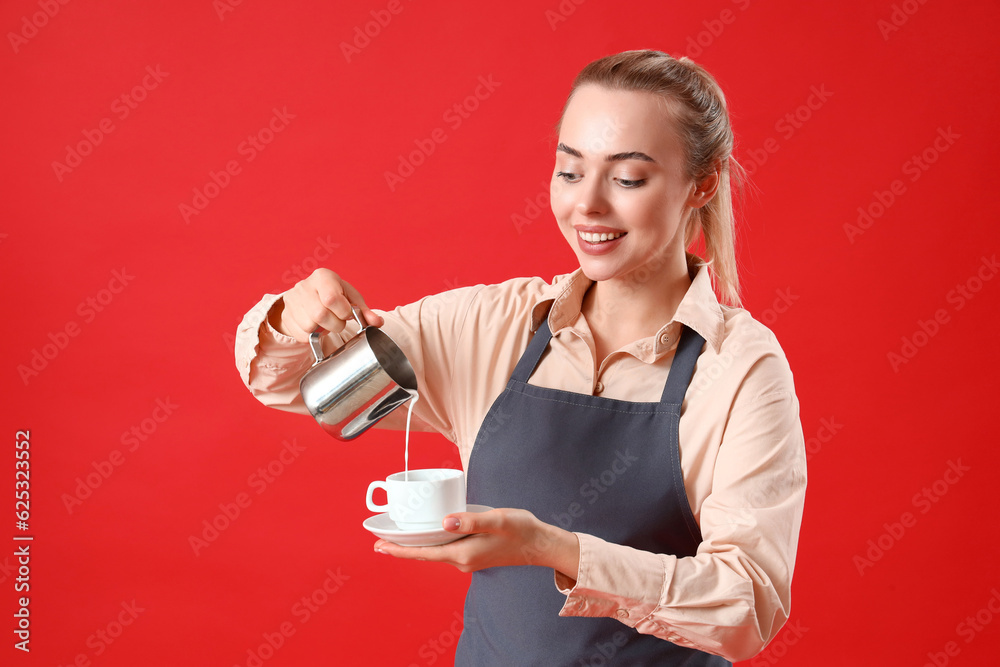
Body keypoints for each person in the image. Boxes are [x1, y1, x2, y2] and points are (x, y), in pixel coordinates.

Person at [235, 49, 807, 665]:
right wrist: (295, 317)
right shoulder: (494, 327)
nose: (587, 205)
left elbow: (747, 607)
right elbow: (291, 383)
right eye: (568, 171)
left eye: (628, 178)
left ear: (703, 183)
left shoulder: (739, 366)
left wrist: (554, 550)